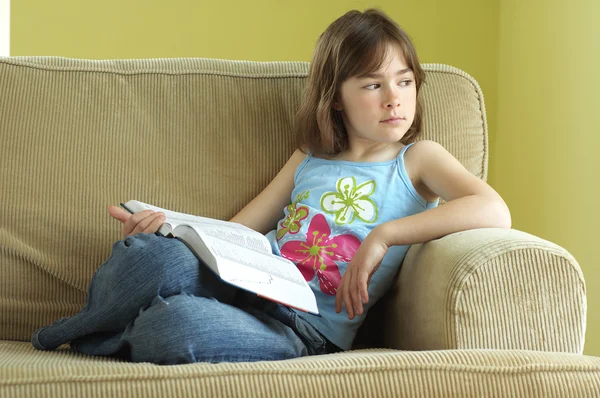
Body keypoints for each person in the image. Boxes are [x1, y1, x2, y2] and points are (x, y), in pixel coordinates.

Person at [31, 8, 511, 364]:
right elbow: (235, 232)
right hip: (243, 281)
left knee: (176, 324)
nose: (393, 100)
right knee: (147, 255)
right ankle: (75, 329)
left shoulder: (418, 158)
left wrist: (384, 236)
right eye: (372, 85)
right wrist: (168, 228)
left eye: (405, 83)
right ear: (337, 98)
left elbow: (492, 209)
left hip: (305, 329)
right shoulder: (310, 156)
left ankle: (107, 341)